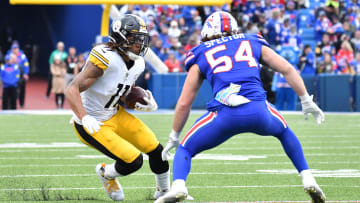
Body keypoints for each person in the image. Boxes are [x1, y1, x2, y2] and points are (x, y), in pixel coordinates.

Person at [156, 11, 326, 203]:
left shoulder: (201, 51)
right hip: (259, 111)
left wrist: (174, 135)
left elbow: (185, 102)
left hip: (224, 115)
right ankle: (308, 177)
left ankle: (178, 186)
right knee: (284, 132)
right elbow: (287, 69)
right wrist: (306, 100)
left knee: (185, 148)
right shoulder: (251, 41)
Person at [65, 14, 170, 201]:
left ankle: (164, 192)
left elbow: (123, 92)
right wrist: (85, 116)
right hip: (91, 122)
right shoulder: (105, 58)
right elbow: (71, 89)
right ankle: (106, 173)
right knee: (133, 161)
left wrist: (141, 101)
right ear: (120, 38)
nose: (140, 44)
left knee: (157, 150)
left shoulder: (138, 63)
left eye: (141, 39)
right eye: (134, 39)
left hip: (114, 113)